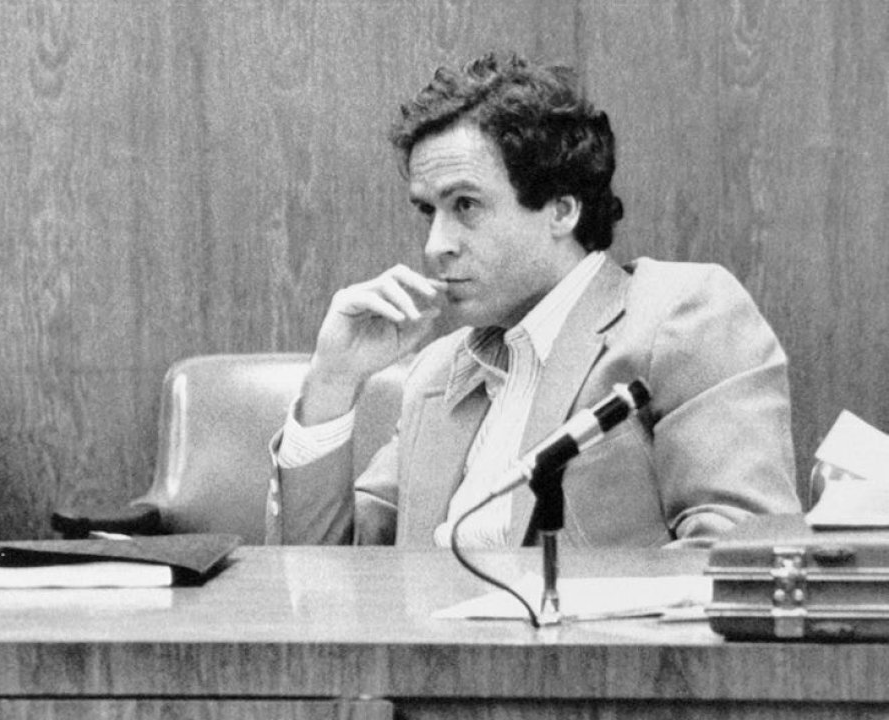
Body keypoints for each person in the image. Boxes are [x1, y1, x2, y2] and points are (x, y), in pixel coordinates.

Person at [264, 51, 801, 549]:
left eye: (465, 205)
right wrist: (332, 384)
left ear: (561, 211)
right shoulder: (439, 370)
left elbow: (739, 558)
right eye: (429, 211)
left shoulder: (682, 316)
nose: (435, 245)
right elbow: (320, 582)